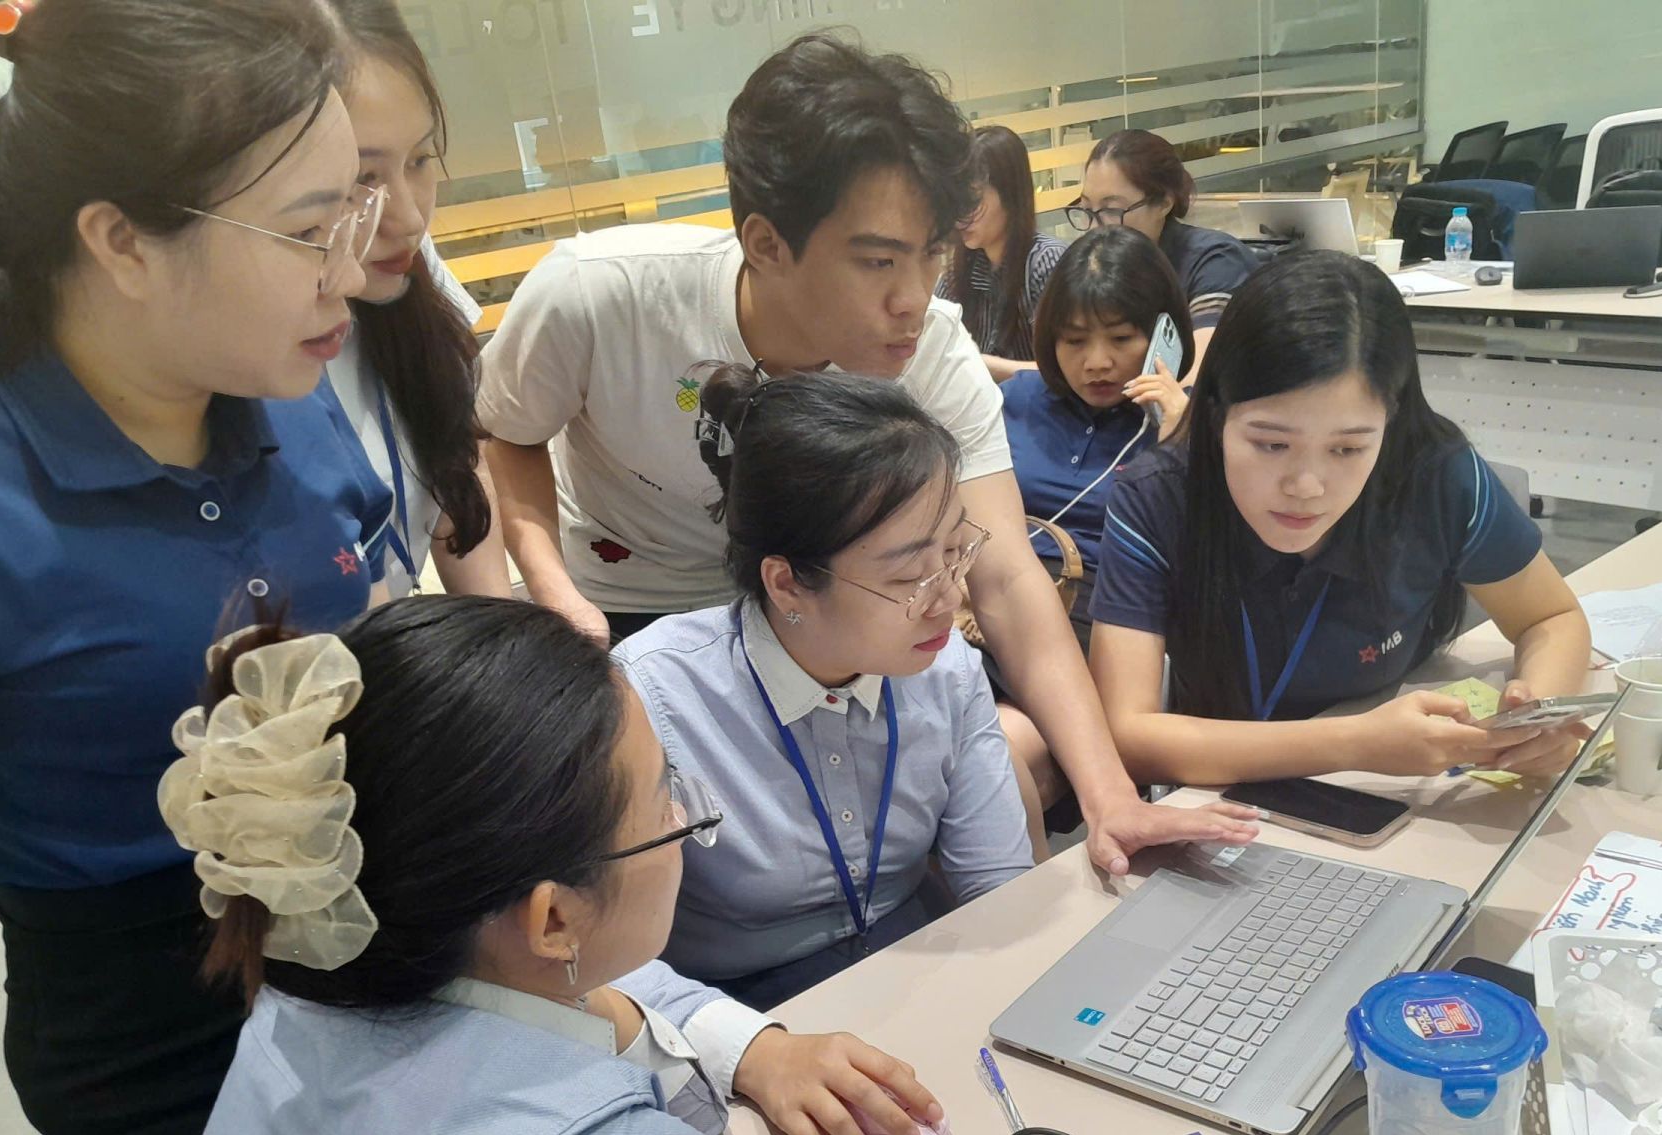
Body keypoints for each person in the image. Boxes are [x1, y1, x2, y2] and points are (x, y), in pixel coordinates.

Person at [141, 597, 984, 1135]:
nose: (682, 820)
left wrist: (751, 1048)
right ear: (553, 920)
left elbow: (578, 977)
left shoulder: (321, 970)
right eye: (664, 797)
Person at [478, 31, 1256, 879]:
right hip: (637, 610)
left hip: (835, 616)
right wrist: (552, 592)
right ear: (766, 243)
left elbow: (1005, 576)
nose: (914, 298)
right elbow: (507, 433)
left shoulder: (934, 352)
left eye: (933, 254)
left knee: (968, 782)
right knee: (636, 848)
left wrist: (1110, 799)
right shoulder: (601, 296)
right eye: (879, 260)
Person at [0, 0, 390, 1135]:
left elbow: (383, 650)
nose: (349, 274)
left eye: (353, 213)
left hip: (372, 932)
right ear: (121, 241)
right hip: (145, 1025)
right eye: (307, 230)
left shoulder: (287, 392)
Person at [617, 369, 1064, 1007]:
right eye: (910, 577)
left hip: (919, 963)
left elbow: (999, 892)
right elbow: (594, 957)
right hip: (734, 1006)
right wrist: (748, 1046)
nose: (949, 598)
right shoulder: (652, 701)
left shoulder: (947, 670)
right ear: (787, 584)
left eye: (956, 551)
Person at [1088, 251, 1593, 786]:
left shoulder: (1435, 475)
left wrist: (1537, 714)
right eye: (1271, 444)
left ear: (1389, 422)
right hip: (1219, 790)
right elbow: (1127, 735)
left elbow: (1550, 618)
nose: (1306, 486)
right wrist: (1354, 743)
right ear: (1216, 416)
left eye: (1348, 449)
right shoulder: (1157, 496)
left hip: (1404, 787)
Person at [323, 0, 511, 599]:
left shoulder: (405, 264)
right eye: (361, 178)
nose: (407, 219)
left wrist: (498, 632)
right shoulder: (243, 352)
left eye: (421, 160)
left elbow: (456, 457)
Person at [1001, 226, 1191, 643]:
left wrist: (1179, 446)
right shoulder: (1015, 400)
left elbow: (1194, 561)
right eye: (1074, 340)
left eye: (1121, 338)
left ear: (1165, 338)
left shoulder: (1189, 422)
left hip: (1108, 609)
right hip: (992, 596)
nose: (1097, 362)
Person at [1069, 129, 1259, 387]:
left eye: (1111, 209)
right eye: (1086, 209)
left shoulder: (1215, 262)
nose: (1095, 227)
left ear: (1163, 203)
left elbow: (1199, 380)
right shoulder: (1101, 266)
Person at [935, 124, 1065, 382]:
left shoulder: (1045, 262)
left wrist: (975, 363)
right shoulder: (962, 268)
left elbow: (1068, 371)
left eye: (973, 199)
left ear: (1010, 195)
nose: (961, 214)